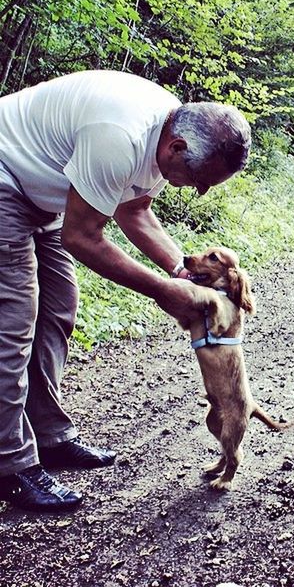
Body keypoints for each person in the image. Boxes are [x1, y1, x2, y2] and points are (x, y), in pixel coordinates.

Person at [0, 70, 251, 513]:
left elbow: (134, 210)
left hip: (46, 199)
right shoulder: (120, 134)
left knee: (59, 310)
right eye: (202, 177)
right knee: (13, 325)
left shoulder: (169, 132)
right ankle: (10, 467)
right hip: (6, 178)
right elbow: (81, 238)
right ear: (177, 148)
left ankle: (49, 437)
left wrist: (180, 272)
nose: (201, 189)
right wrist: (162, 291)